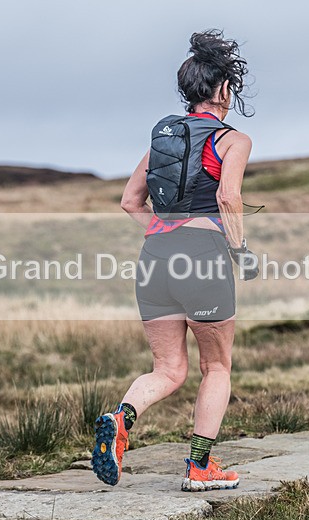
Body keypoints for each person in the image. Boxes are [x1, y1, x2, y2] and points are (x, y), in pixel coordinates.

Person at [91, 29, 257, 492]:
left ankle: (121, 418)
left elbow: (130, 201)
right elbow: (228, 195)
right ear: (223, 89)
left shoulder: (163, 137)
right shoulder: (234, 140)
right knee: (216, 367)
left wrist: (166, 234)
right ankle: (200, 466)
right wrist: (239, 252)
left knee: (168, 369)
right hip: (203, 258)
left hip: (154, 257)